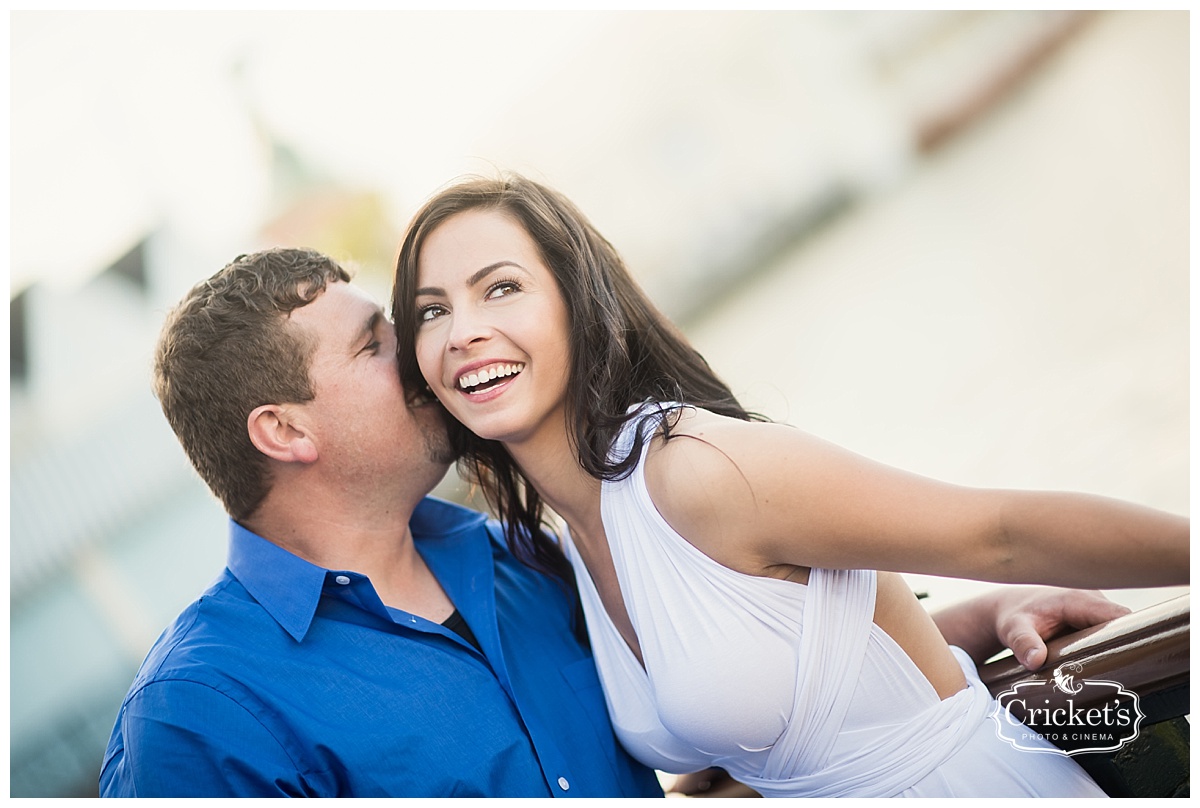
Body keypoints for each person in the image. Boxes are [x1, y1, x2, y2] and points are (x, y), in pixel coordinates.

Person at [100, 247, 1126, 798]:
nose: (426, 354)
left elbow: (734, 669)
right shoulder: (198, 720)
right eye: (378, 344)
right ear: (283, 429)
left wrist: (978, 617)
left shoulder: (519, 558)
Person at [391, 173, 1189, 798]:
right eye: (430, 311)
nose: (463, 332)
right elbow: (814, 671)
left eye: (501, 288)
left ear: (579, 302)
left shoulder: (693, 467)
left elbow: (998, 534)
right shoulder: (565, 538)